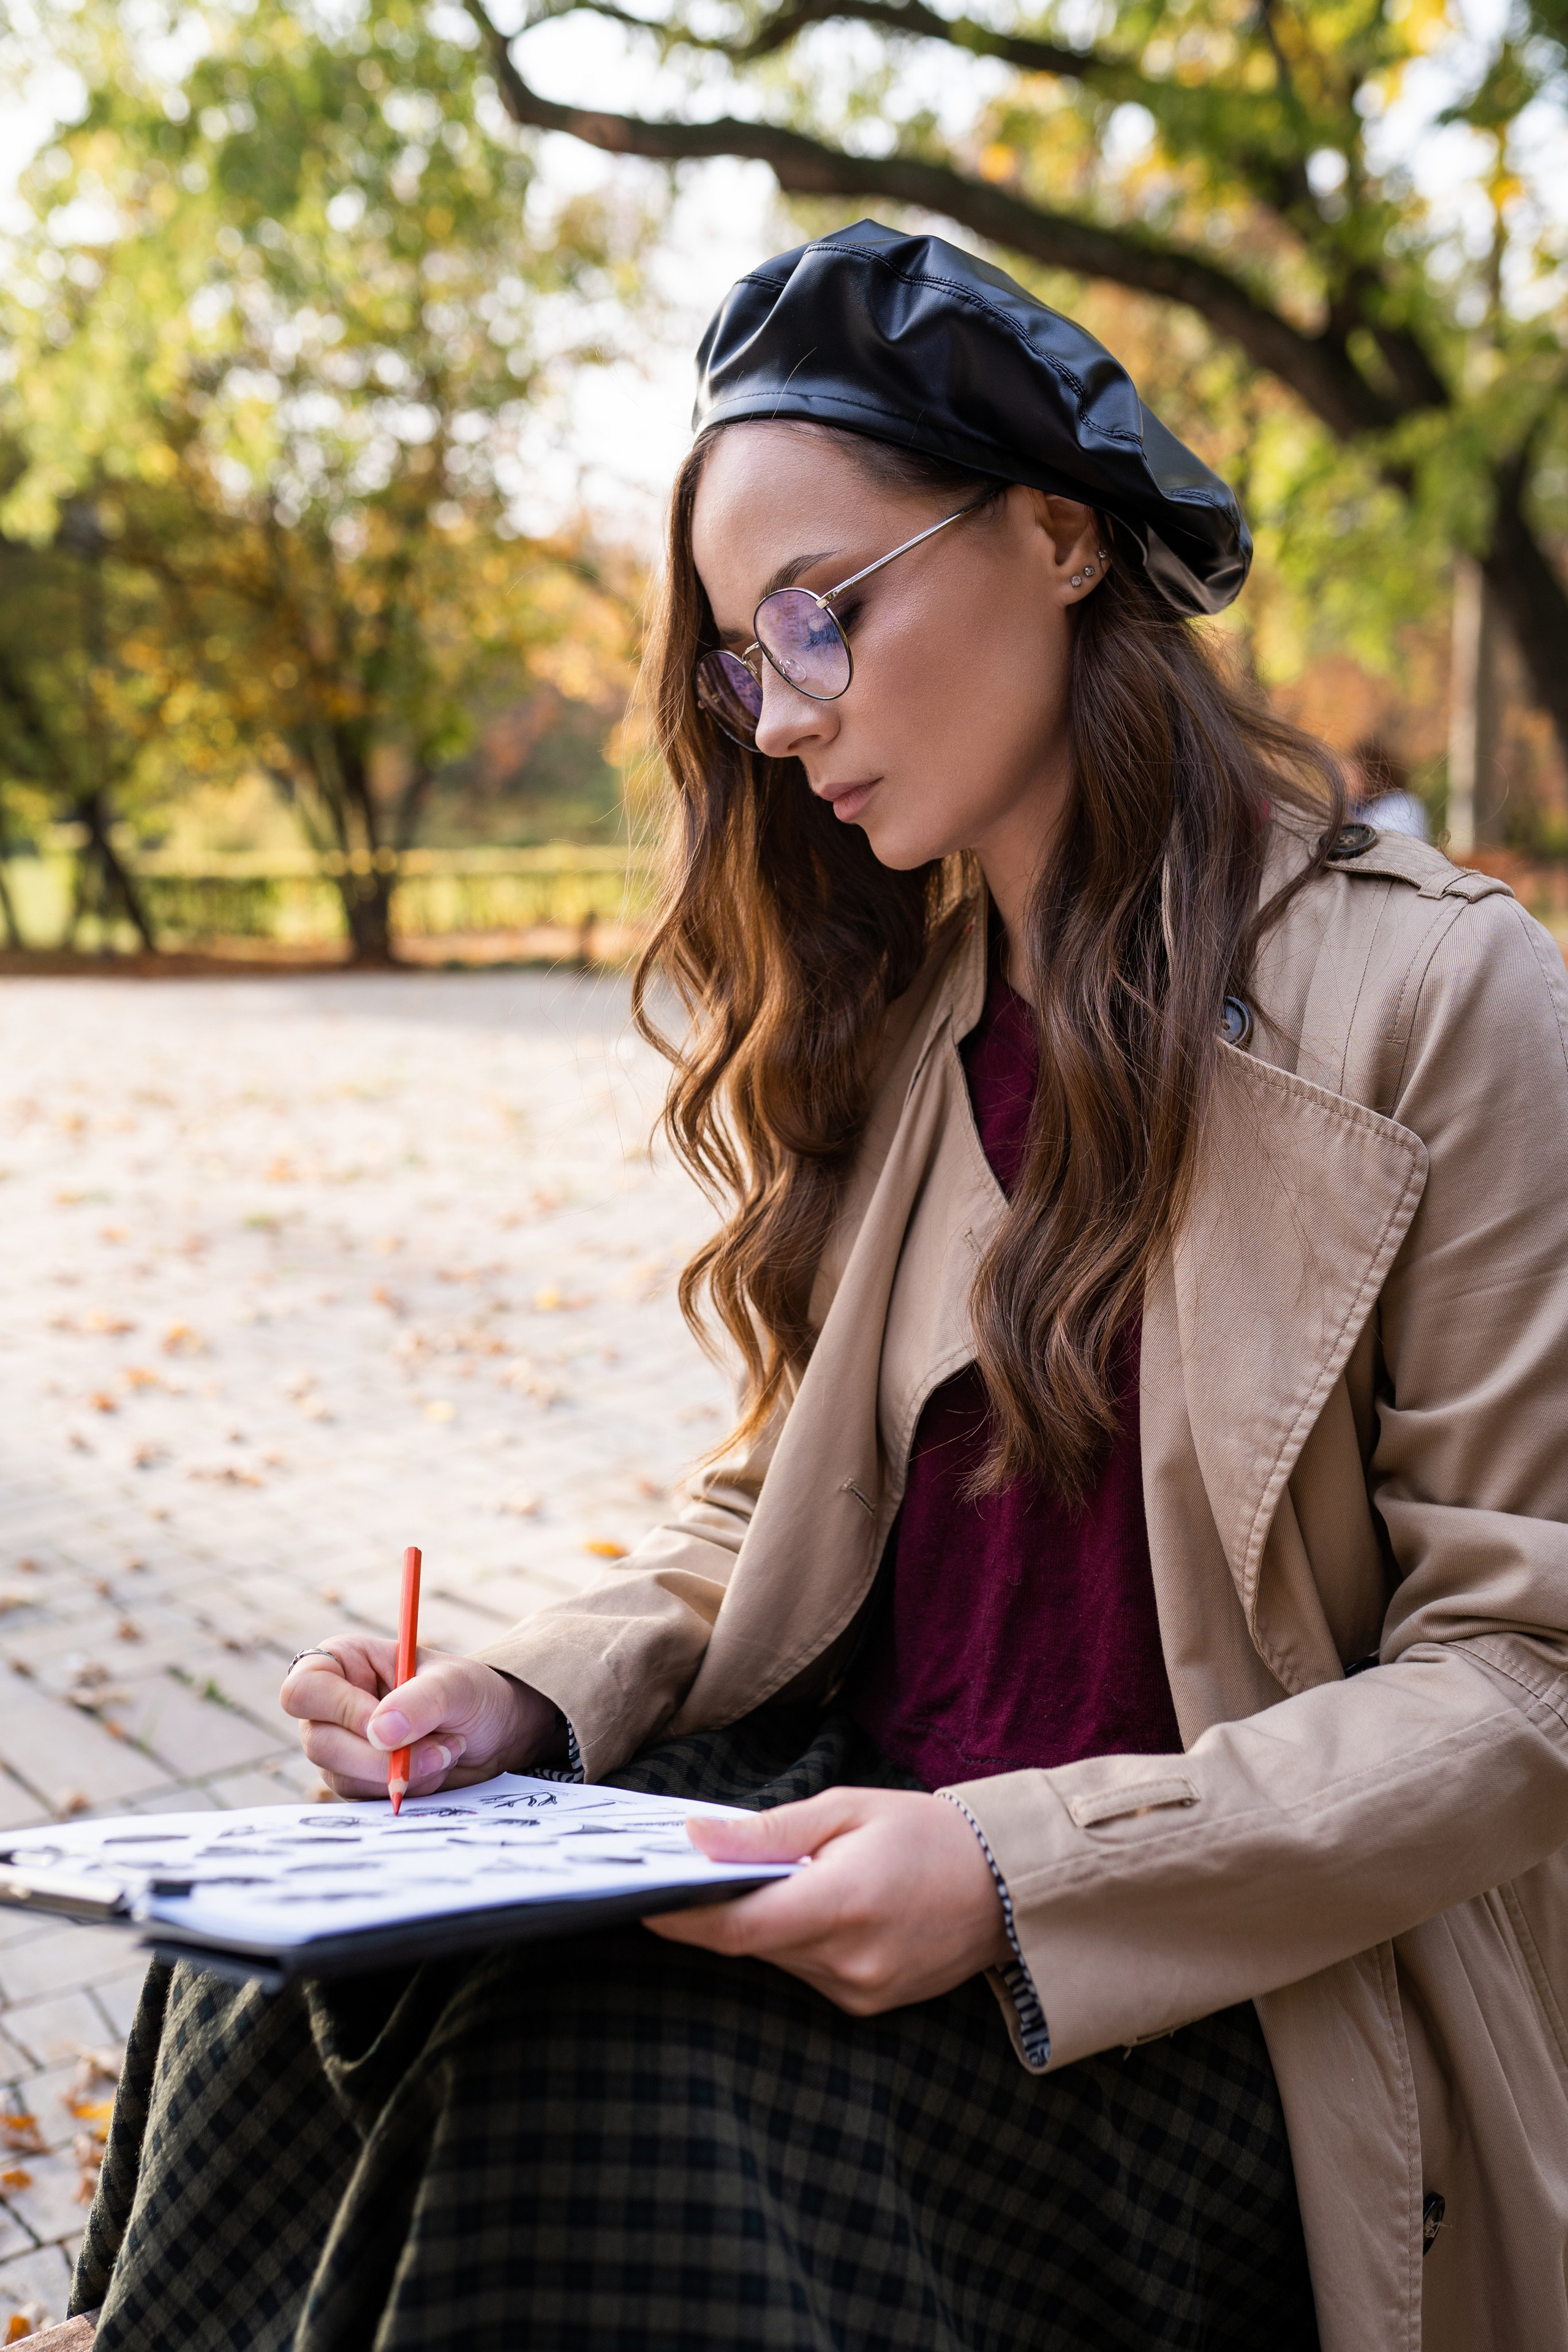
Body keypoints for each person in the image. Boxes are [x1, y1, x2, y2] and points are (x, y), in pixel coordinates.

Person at [74, 221, 1568, 2352]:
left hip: (1214, 1993)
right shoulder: (906, 1008)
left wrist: (1015, 1872)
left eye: (818, 616)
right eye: (738, 659)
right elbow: (781, 1506)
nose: (780, 719)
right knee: (270, 1982)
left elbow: (1522, 1680)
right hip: (839, 1842)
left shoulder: (1444, 997)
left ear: (1059, 533)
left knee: (580, 2094)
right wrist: (527, 1695)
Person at [1344, 733, 1430, 839]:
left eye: (1353, 773)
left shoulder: (1401, 806)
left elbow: (1393, 844)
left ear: (1372, 773)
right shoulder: (1358, 808)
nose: (1348, 780)